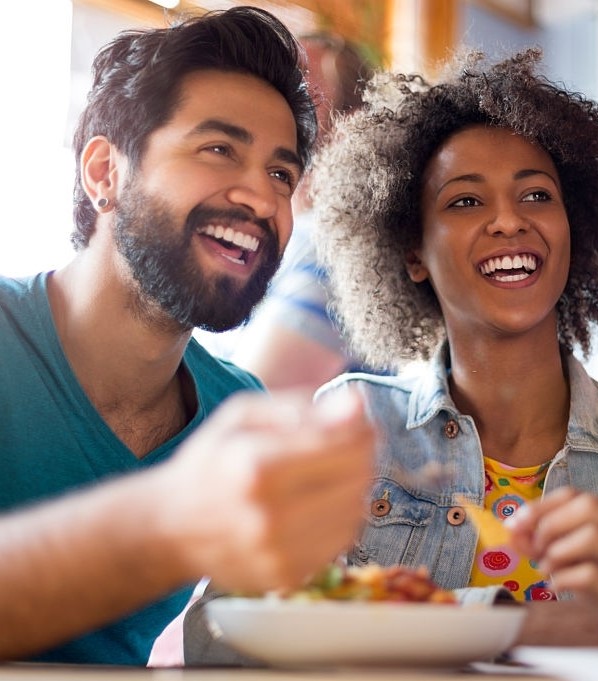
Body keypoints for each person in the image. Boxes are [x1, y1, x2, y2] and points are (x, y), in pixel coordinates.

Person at [0, 6, 375, 665]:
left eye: (282, 174)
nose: (261, 198)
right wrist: (168, 521)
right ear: (103, 173)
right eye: (219, 149)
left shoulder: (236, 406)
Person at [308, 47, 598, 649]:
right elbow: (217, 639)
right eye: (465, 200)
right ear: (412, 253)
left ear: (573, 226)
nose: (509, 221)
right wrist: (516, 623)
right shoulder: (350, 427)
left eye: (537, 196)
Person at [196, 32, 380, 398]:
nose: (272, 98)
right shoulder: (274, 234)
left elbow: (240, 406)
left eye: (300, 87)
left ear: (351, 128)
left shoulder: (333, 249)